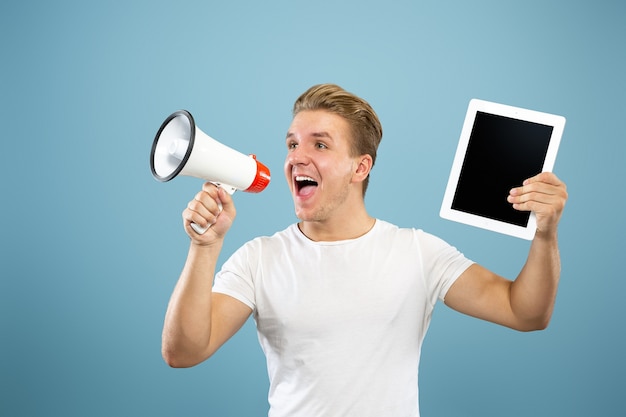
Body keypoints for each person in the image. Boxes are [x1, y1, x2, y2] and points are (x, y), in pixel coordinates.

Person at [161, 84, 568, 417]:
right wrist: (205, 247)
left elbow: (525, 311)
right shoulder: (259, 258)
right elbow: (183, 351)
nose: (296, 158)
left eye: (320, 146)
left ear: (361, 167)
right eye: (291, 144)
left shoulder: (417, 252)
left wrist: (545, 234)